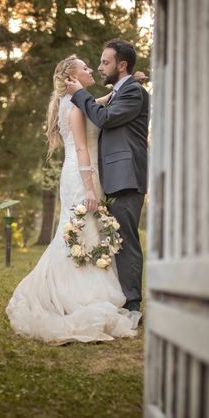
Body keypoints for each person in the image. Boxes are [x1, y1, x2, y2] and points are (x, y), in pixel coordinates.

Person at [5, 55, 140, 346]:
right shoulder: (77, 106)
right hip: (83, 176)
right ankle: (79, 294)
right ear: (72, 76)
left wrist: (123, 88)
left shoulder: (74, 101)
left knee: (82, 231)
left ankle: (85, 286)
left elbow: (99, 102)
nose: (92, 69)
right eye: (85, 68)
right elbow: (81, 149)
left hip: (79, 175)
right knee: (83, 231)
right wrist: (90, 190)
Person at [65, 39, 149, 318]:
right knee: (116, 241)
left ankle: (133, 305)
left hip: (126, 177)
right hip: (113, 178)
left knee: (126, 241)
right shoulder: (121, 90)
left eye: (105, 62)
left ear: (121, 65)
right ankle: (123, 298)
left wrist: (79, 94)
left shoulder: (133, 93)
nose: (100, 67)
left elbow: (105, 118)